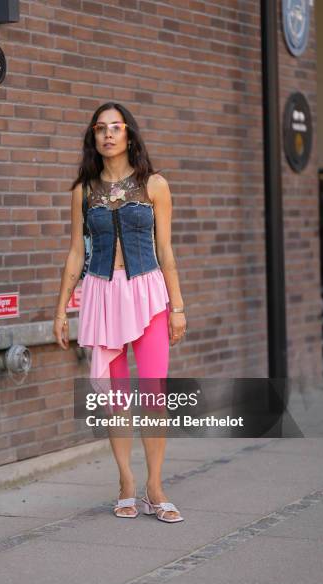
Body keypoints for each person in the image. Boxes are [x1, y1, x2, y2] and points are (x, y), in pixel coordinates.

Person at [54, 102, 187, 523]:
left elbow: (166, 250)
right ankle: (127, 483)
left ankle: (155, 486)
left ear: (129, 135)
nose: (108, 135)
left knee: (153, 395)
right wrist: (60, 310)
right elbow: (76, 253)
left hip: (147, 293)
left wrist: (178, 307)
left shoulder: (154, 185)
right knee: (114, 400)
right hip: (102, 295)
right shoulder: (83, 190)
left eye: (116, 127)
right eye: (100, 129)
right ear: (93, 138)